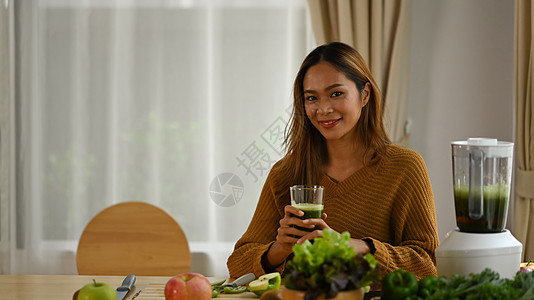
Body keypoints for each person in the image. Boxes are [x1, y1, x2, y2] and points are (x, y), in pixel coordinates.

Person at [227, 42, 439, 280]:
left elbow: (426, 265)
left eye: (336, 94)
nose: (323, 109)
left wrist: (358, 248)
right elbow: (237, 264)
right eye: (311, 98)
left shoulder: (405, 168)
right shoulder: (286, 173)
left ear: (364, 94)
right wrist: (279, 249)